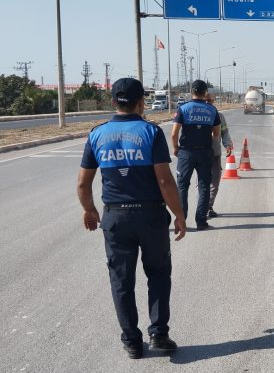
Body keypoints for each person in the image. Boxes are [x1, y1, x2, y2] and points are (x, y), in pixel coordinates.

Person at [77, 78, 186, 359]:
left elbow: (83, 184)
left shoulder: (97, 135)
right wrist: (179, 214)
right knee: (159, 274)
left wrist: (89, 209)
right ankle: (159, 336)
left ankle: (133, 342)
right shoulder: (151, 132)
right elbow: (164, 181)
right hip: (150, 216)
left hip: (116, 218)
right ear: (141, 102)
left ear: (113, 101)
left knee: (121, 280)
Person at [171, 80, 221, 230]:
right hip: (205, 152)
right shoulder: (212, 110)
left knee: (182, 186)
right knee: (204, 186)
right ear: (205, 92)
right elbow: (216, 133)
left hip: (186, 152)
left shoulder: (183, 108)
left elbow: (174, 134)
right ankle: (201, 222)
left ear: (191, 91)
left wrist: (175, 148)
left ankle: (182, 221)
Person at [205, 93, 234, 218]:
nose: (208, 103)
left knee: (215, 182)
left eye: (210, 101)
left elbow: (224, 132)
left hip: (215, 153)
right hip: (200, 155)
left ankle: (208, 206)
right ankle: (203, 207)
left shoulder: (219, 115)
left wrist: (228, 144)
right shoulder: (195, 116)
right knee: (202, 182)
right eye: (206, 101)